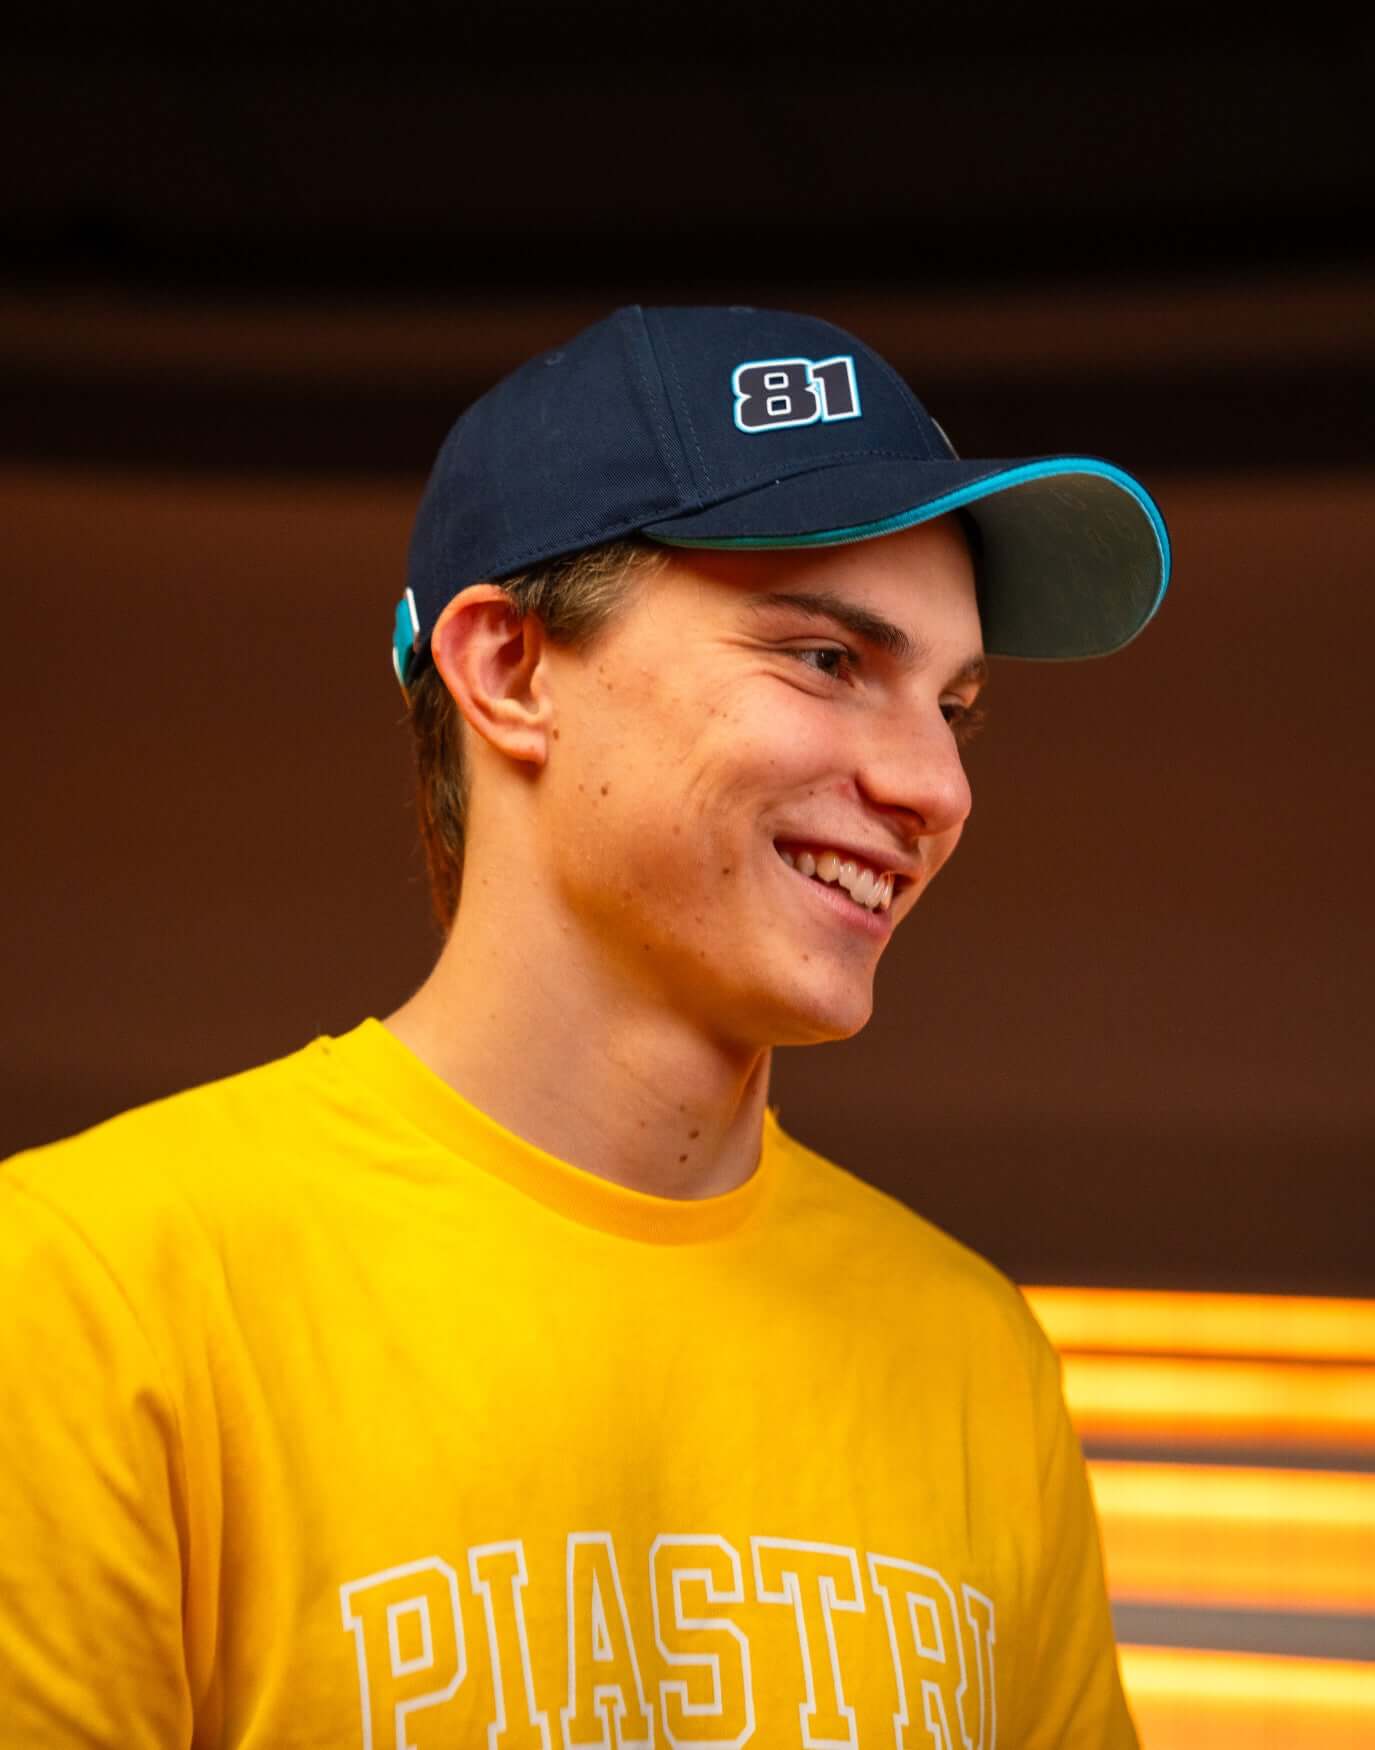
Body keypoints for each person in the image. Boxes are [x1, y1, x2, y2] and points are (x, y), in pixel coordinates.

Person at [1, 305, 1169, 1748]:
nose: (936, 784)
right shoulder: (87, 1293)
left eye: (958, 705)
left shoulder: (979, 1358)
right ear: (510, 670)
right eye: (825, 660)